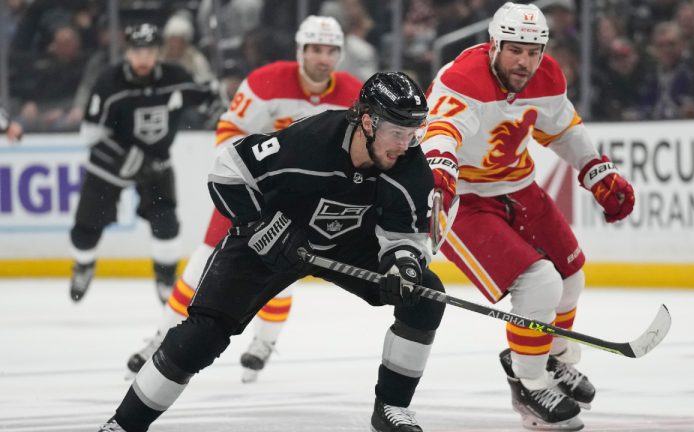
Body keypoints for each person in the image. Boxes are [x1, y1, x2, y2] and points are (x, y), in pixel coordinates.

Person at [98, 71, 444, 432]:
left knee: (424, 295)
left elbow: (405, 235)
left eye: (413, 132)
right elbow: (227, 170)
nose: (406, 144)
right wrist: (262, 227)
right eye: (398, 132)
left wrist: (402, 266)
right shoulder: (310, 141)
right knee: (200, 337)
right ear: (369, 123)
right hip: (267, 240)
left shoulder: (410, 168)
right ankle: (123, 425)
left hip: (344, 245)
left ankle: (391, 408)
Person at [422, 2, 634, 431]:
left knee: (571, 276)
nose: (525, 61)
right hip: (464, 197)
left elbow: (562, 128)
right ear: (495, 44)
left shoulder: (548, 75)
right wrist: (441, 168)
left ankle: (550, 358)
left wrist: (595, 169)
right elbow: (440, 130)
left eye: (534, 51)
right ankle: (529, 383)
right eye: (516, 50)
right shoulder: (463, 79)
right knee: (540, 284)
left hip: (517, 185)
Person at [124, 16, 363, 383]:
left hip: (305, 202)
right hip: (252, 191)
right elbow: (230, 129)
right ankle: (160, 338)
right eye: (315, 49)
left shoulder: (353, 93)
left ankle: (265, 341)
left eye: (330, 50)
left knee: (285, 268)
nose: (322, 58)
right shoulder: (266, 81)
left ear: (340, 54)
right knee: (200, 264)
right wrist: (242, 178)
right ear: (301, 50)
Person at [69, 23, 220, 304]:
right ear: (127, 53)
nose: (143, 59)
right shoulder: (108, 82)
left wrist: (217, 98)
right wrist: (126, 158)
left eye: (149, 51)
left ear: (158, 53)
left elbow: (206, 95)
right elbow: (89, 135)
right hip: (109, 169)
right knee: (85, 230)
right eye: (137, 52)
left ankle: (165, 278)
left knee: (167, 223)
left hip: (156, 166)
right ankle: (83, 264)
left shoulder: (174, 77)